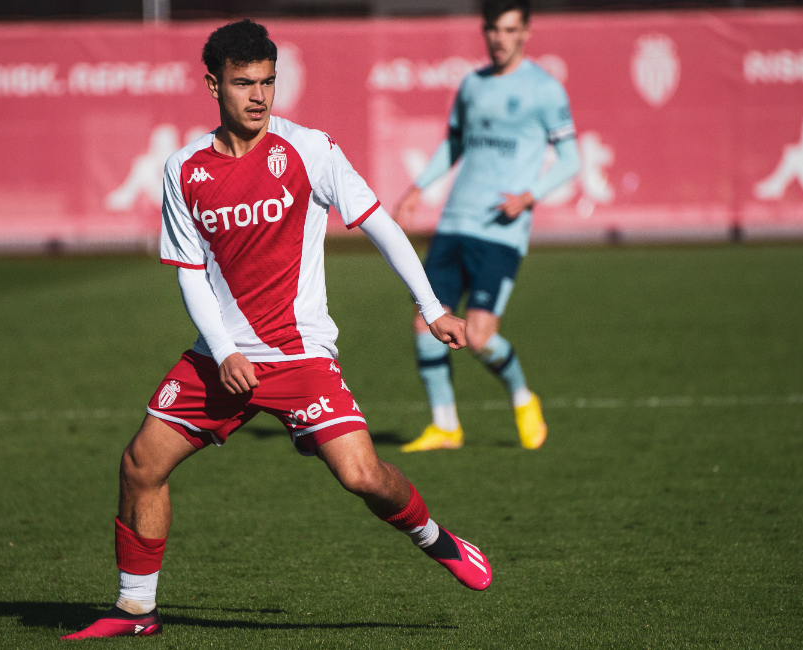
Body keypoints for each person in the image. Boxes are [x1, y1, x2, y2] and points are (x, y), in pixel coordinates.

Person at [62, 19, 492, 640]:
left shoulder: (309, 150)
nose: (259, 95)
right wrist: (224, 350)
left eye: (267, 82)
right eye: (244, 83)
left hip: (299, 356)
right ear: (214, 85)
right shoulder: (184, 169)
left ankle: (435, 538)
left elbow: (380, 225)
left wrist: (432, 306)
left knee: (362, 477)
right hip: (221, 358)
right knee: (140, 465)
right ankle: (136, 610)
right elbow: (190, 275)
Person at [393, 0, 580, 453]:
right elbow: (454, 143)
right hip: (454, 222)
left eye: (510, 29)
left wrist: (528, 197)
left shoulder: (544, 89)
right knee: (425, 323)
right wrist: (418, 187)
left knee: (478, 336)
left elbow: (571, 159)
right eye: (494, 29)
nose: (500, 38)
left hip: (500, 230)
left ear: (526, 32)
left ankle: (522, 397)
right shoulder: (472, 85)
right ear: (485, 31)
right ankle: (445, 426)